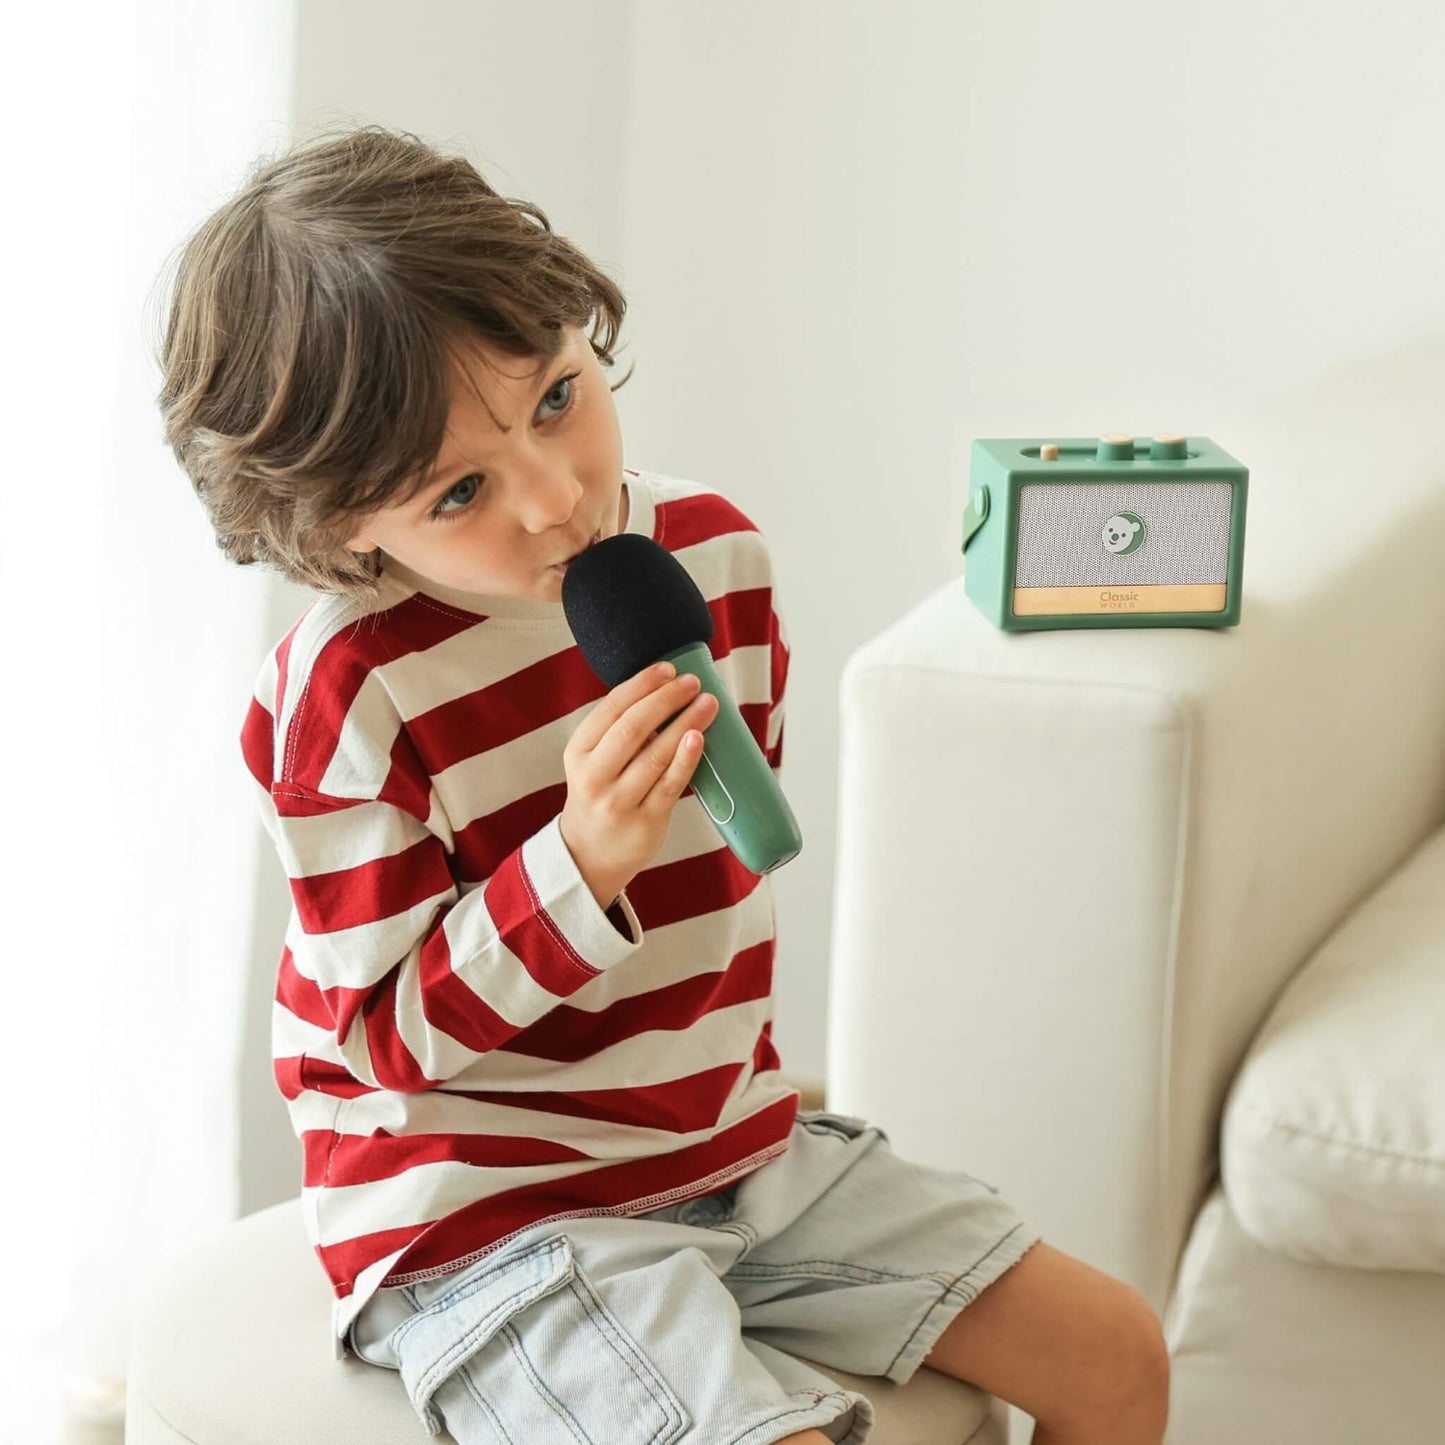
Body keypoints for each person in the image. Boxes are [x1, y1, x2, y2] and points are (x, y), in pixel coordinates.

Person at [152, 123, 1169, 1445]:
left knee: (1116, 1352)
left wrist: (737, 1086)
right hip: (483, 1203)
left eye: (559, 399)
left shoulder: (709, 554)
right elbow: (387, 1046)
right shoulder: (348, 696)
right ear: (339, 526)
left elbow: (725, 907)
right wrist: (577, 864)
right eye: (461, 488)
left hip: (726, 1143)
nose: (555, 498)